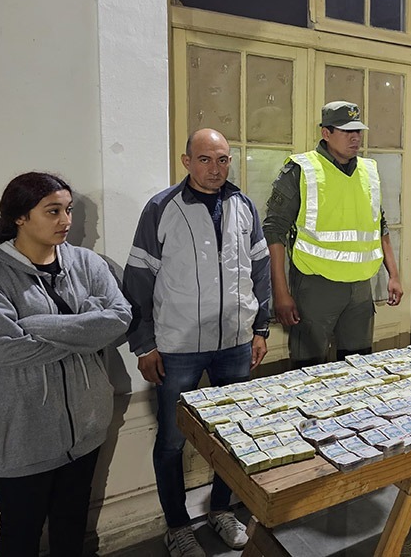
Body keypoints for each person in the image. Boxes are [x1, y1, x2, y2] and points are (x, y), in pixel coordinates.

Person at [123, 129, 271, 557]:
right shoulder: (162, 208)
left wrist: (260, 329)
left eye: (222, 159)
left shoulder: (244, 206)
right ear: (187, 161)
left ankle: (221, 510)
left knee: (233, 435)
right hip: (178, 347)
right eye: (205, 159)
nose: (215, 169)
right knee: (172, 440)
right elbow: (138, 279)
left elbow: (259, 270)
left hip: (235, 344)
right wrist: (144, 344)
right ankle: (177, 526)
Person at [0, 172, 132, 557]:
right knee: (21, 532)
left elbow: (119, 319)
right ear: (20, 217)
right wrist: (85, 326)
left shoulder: (87, 263)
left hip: (86, 429)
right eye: (53, 211)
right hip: (19, 436)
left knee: (71, 524)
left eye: (69, 210)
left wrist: (33, 325)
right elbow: (5, 349)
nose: (66, 221)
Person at [263, 101, 402, 368]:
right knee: (309, 369)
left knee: (358, 367)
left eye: (358, 131)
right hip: (316, 286)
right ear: (326, 133)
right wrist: (280, 292)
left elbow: (379, 225)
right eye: (346, 131)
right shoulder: (301, 169)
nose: (355, 137)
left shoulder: (369, 171)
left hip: (360, 289)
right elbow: (273, 231)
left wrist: (393, 275)